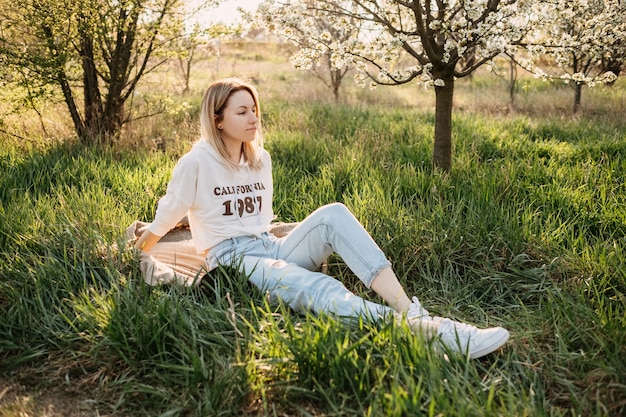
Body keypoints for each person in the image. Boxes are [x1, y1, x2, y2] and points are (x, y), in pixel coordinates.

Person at [135, 78, 509, 359]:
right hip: (231, 259)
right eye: (242, 111)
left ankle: (408, 309)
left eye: (254, 109)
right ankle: (430, 333)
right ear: (218, 120)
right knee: (313, 285)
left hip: (268, 244)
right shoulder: (196, 162)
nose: (253, 118)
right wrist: (138, 249)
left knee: (333, 214)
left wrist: (276, 248)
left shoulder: (259, 159)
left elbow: (259, 224)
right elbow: (167, 215)